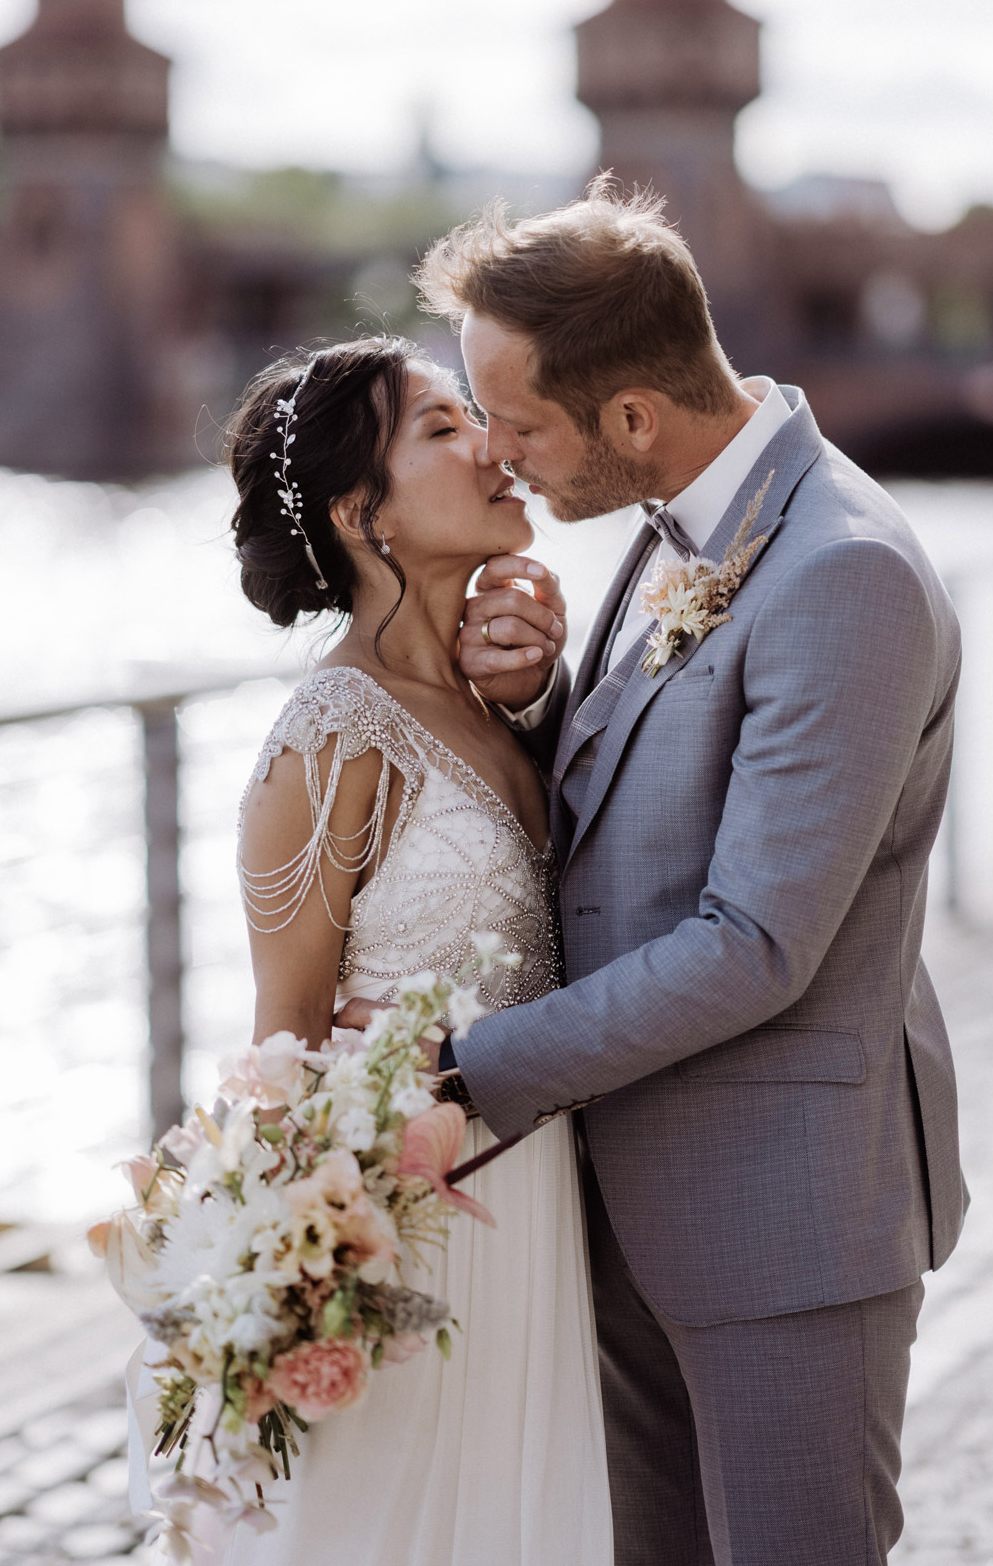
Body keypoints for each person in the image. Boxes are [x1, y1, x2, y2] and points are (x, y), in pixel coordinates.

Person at [403, 181, 968, 1566]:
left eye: (521, 425)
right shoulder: (681, 529)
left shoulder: (843, 574)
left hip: (784, 1221)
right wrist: (537, 704)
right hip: (633, 1209)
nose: (503, 456)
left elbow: (753, 942)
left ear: (635, 417)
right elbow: (644, 824)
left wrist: (468, 1070)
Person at [132, 335, 613, 1566]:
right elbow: (281, 1049)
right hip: (418, 1241)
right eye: (445, 430)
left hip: (544, 1199)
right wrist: (298, 1292)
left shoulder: (502, 702)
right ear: (364, 514)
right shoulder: (332, 738)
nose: (494, 447)